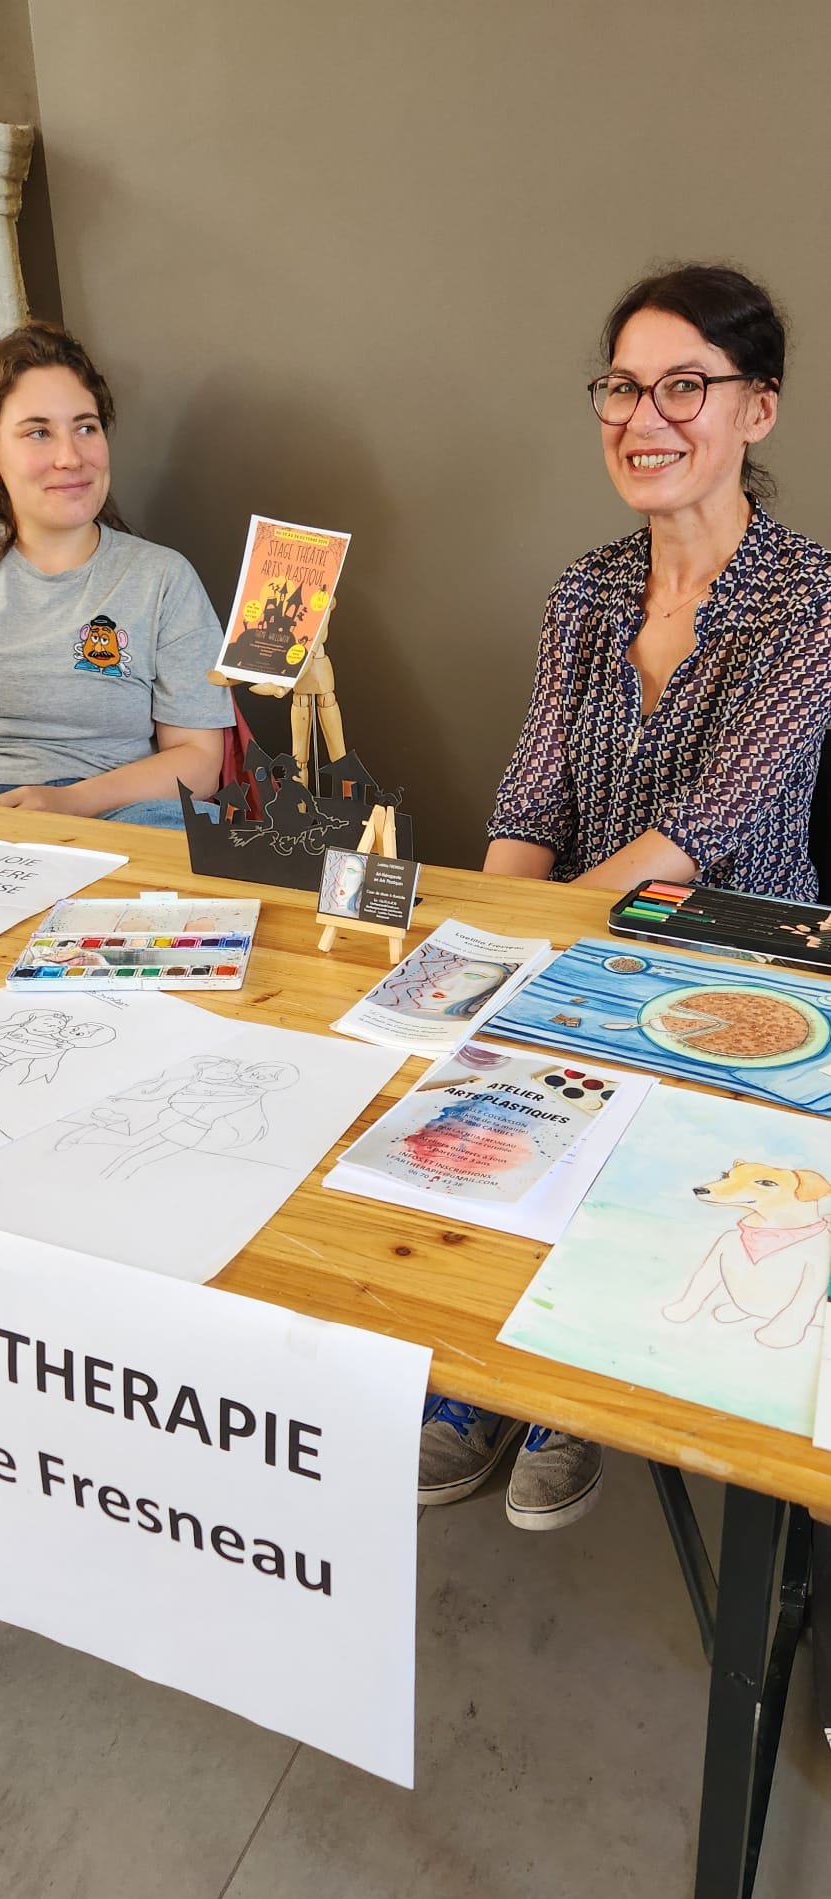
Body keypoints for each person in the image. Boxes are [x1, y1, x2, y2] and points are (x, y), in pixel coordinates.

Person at [421, 262, 831, 1530]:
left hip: (737, 968)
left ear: (758, 408)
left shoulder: (812, 599)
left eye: (684, 387)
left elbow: (698, 833)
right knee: (453, 1062)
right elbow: (531, 801)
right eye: (622, 387)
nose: (643, 419)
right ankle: (480, 1358)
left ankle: (570, 1388)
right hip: (581, 934)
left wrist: (535, 953)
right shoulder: (585, 590)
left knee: (603, 1090)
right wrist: (475, 959)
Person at [0, 322, 235, 825]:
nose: (70, 457)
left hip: (117, 812)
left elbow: (198, 759)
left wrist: (67, 803)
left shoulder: (163, 578)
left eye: (85, 427)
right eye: (38, 432)